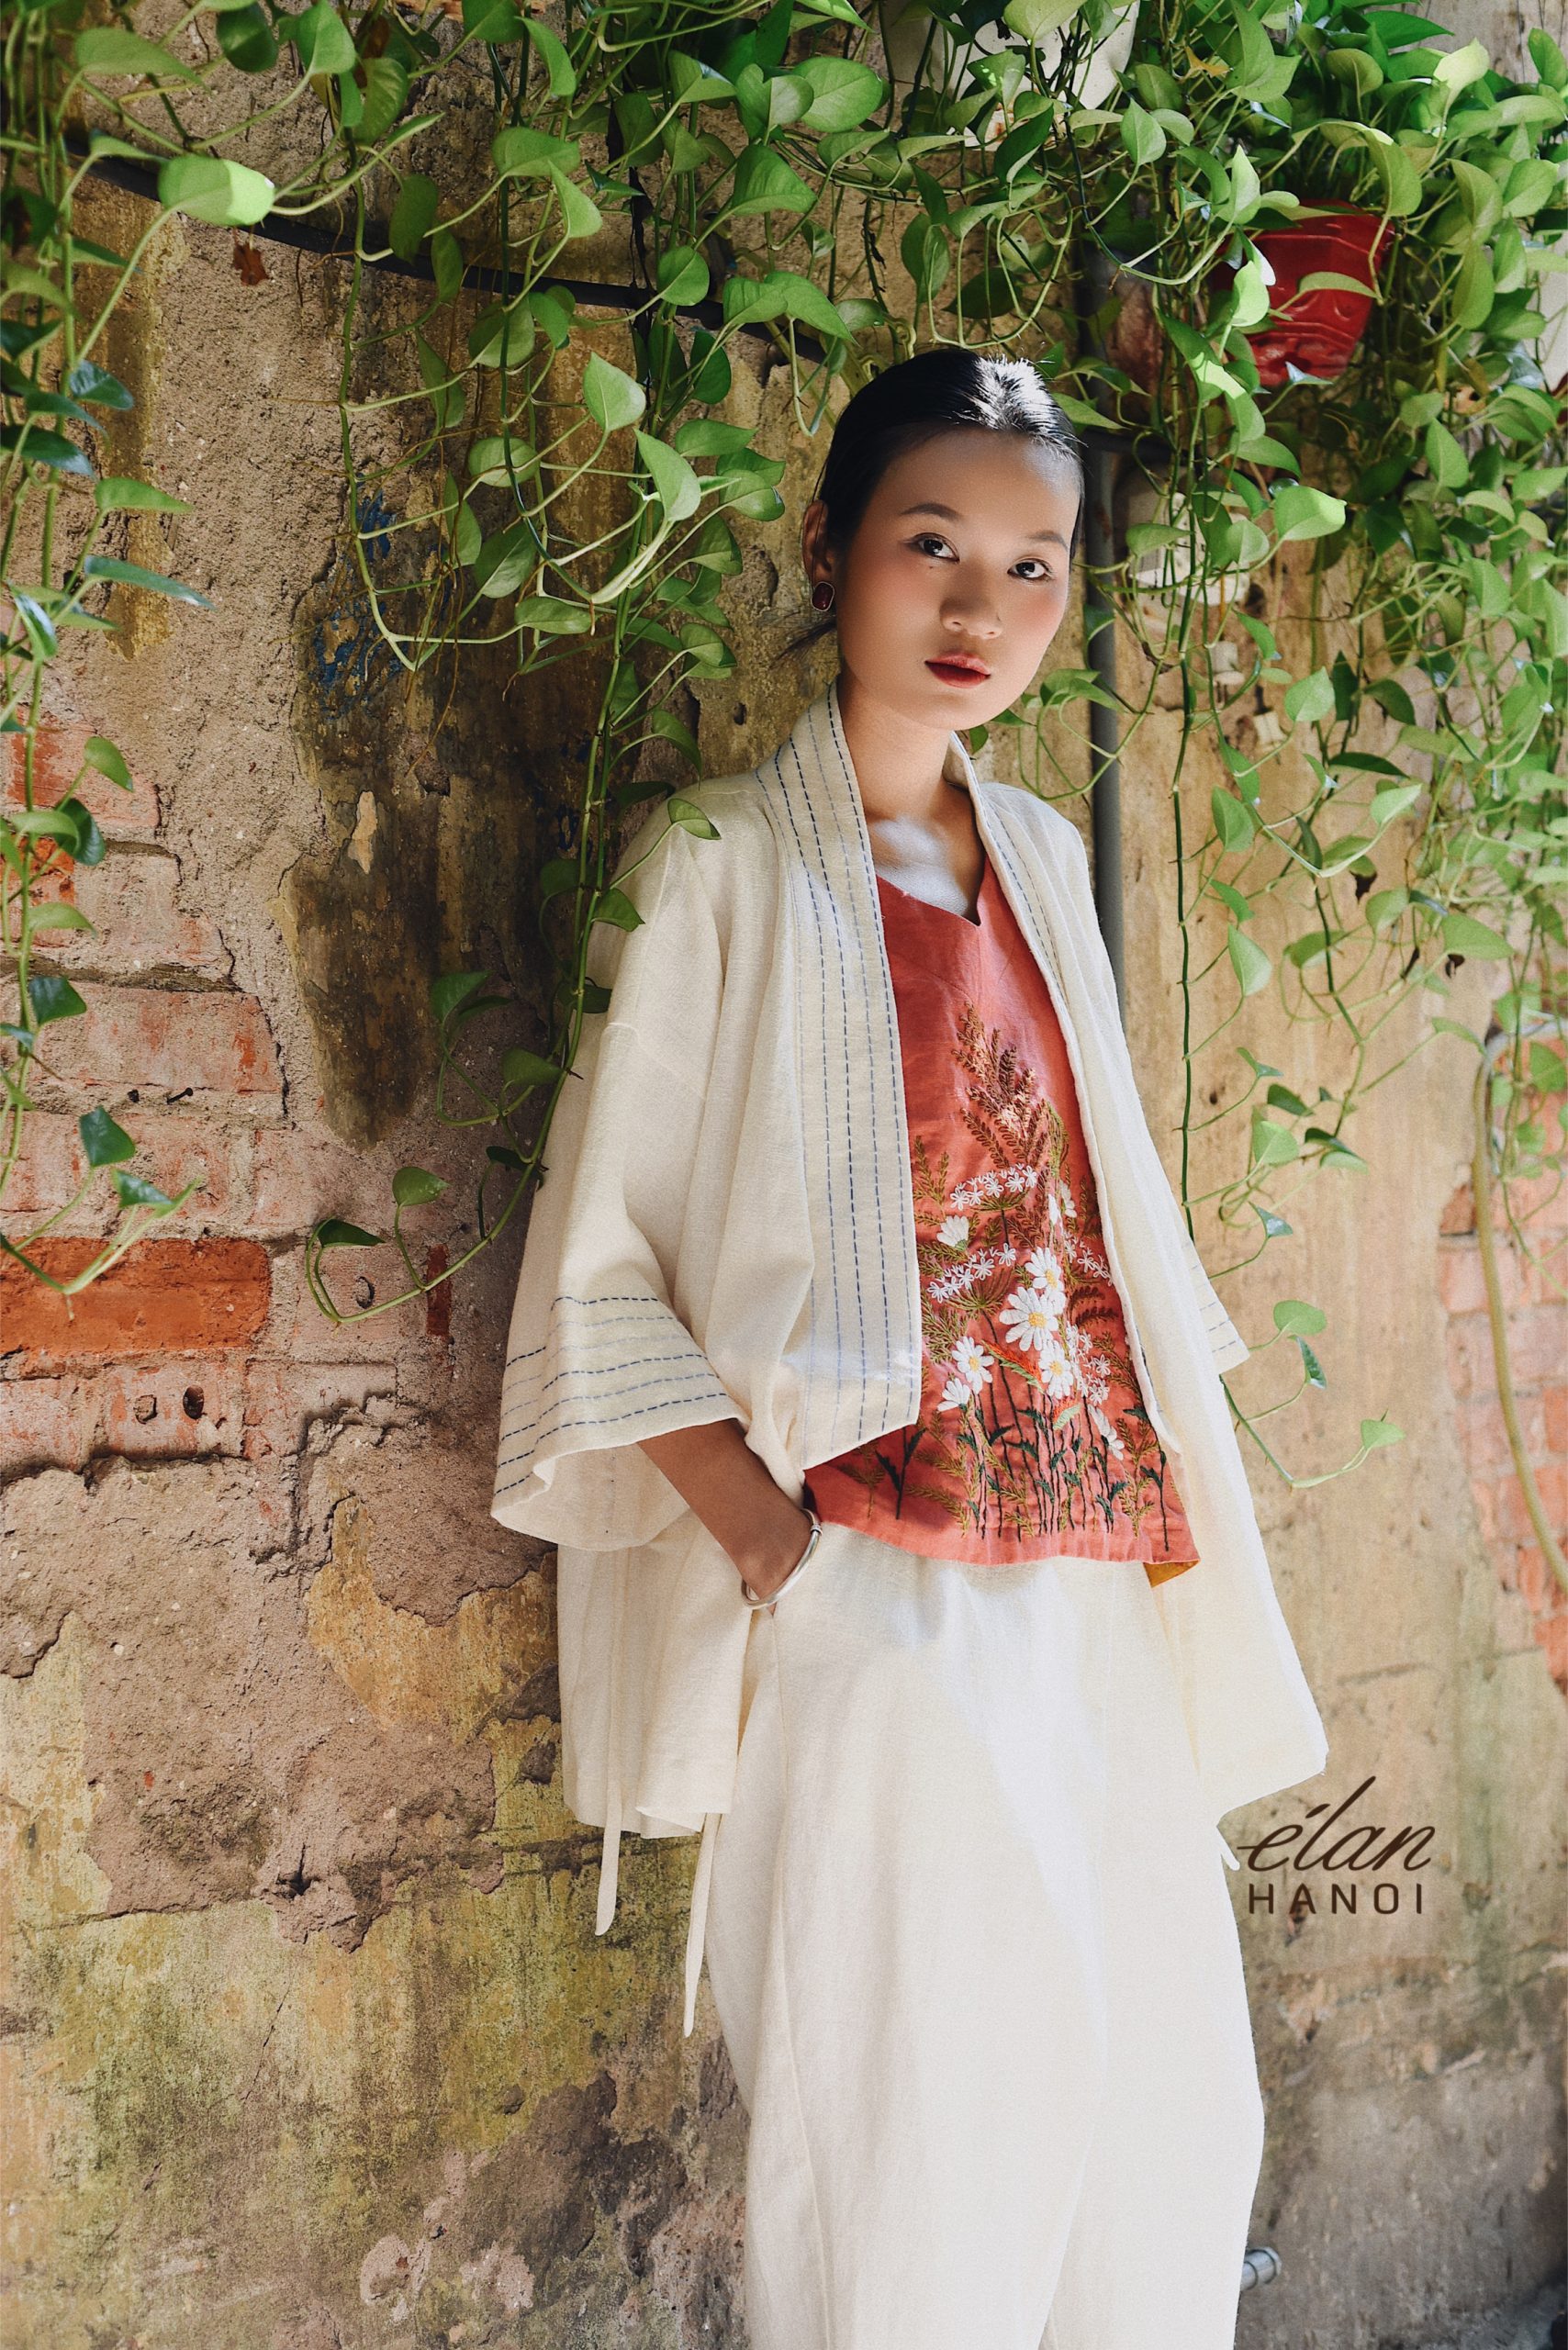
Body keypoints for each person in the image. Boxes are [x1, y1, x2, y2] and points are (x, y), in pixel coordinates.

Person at [490, 348, 1329, 2350]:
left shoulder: (1038, 859)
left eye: (1033, 567)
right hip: (873, 1584)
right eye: (931, 545)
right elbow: (600, 1265)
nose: (980, 607)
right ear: (828, 548)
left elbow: (1097, 1223)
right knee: (922, 2142)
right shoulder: (716, 865)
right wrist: (780, 1552)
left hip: (1093, 1574)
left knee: (1160, 2117)